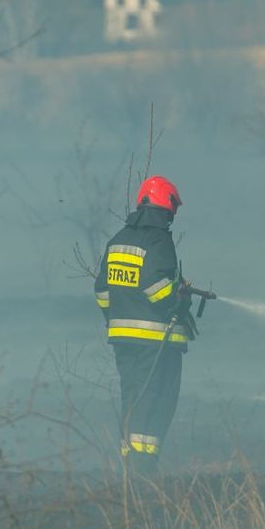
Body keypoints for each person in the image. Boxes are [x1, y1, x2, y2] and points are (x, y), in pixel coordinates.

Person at [94, 175, 195, 475]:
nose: (172, 217)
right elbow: (157, 285)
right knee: (157, 399)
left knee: (133, 395)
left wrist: (115, 319)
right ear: (165, 205)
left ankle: (130, 459)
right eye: (171, 210)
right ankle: (144, 465)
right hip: (156, 340)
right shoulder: (158, 241)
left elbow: (101, 290)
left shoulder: (117, 241)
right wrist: (180, 296)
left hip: (123, 340)